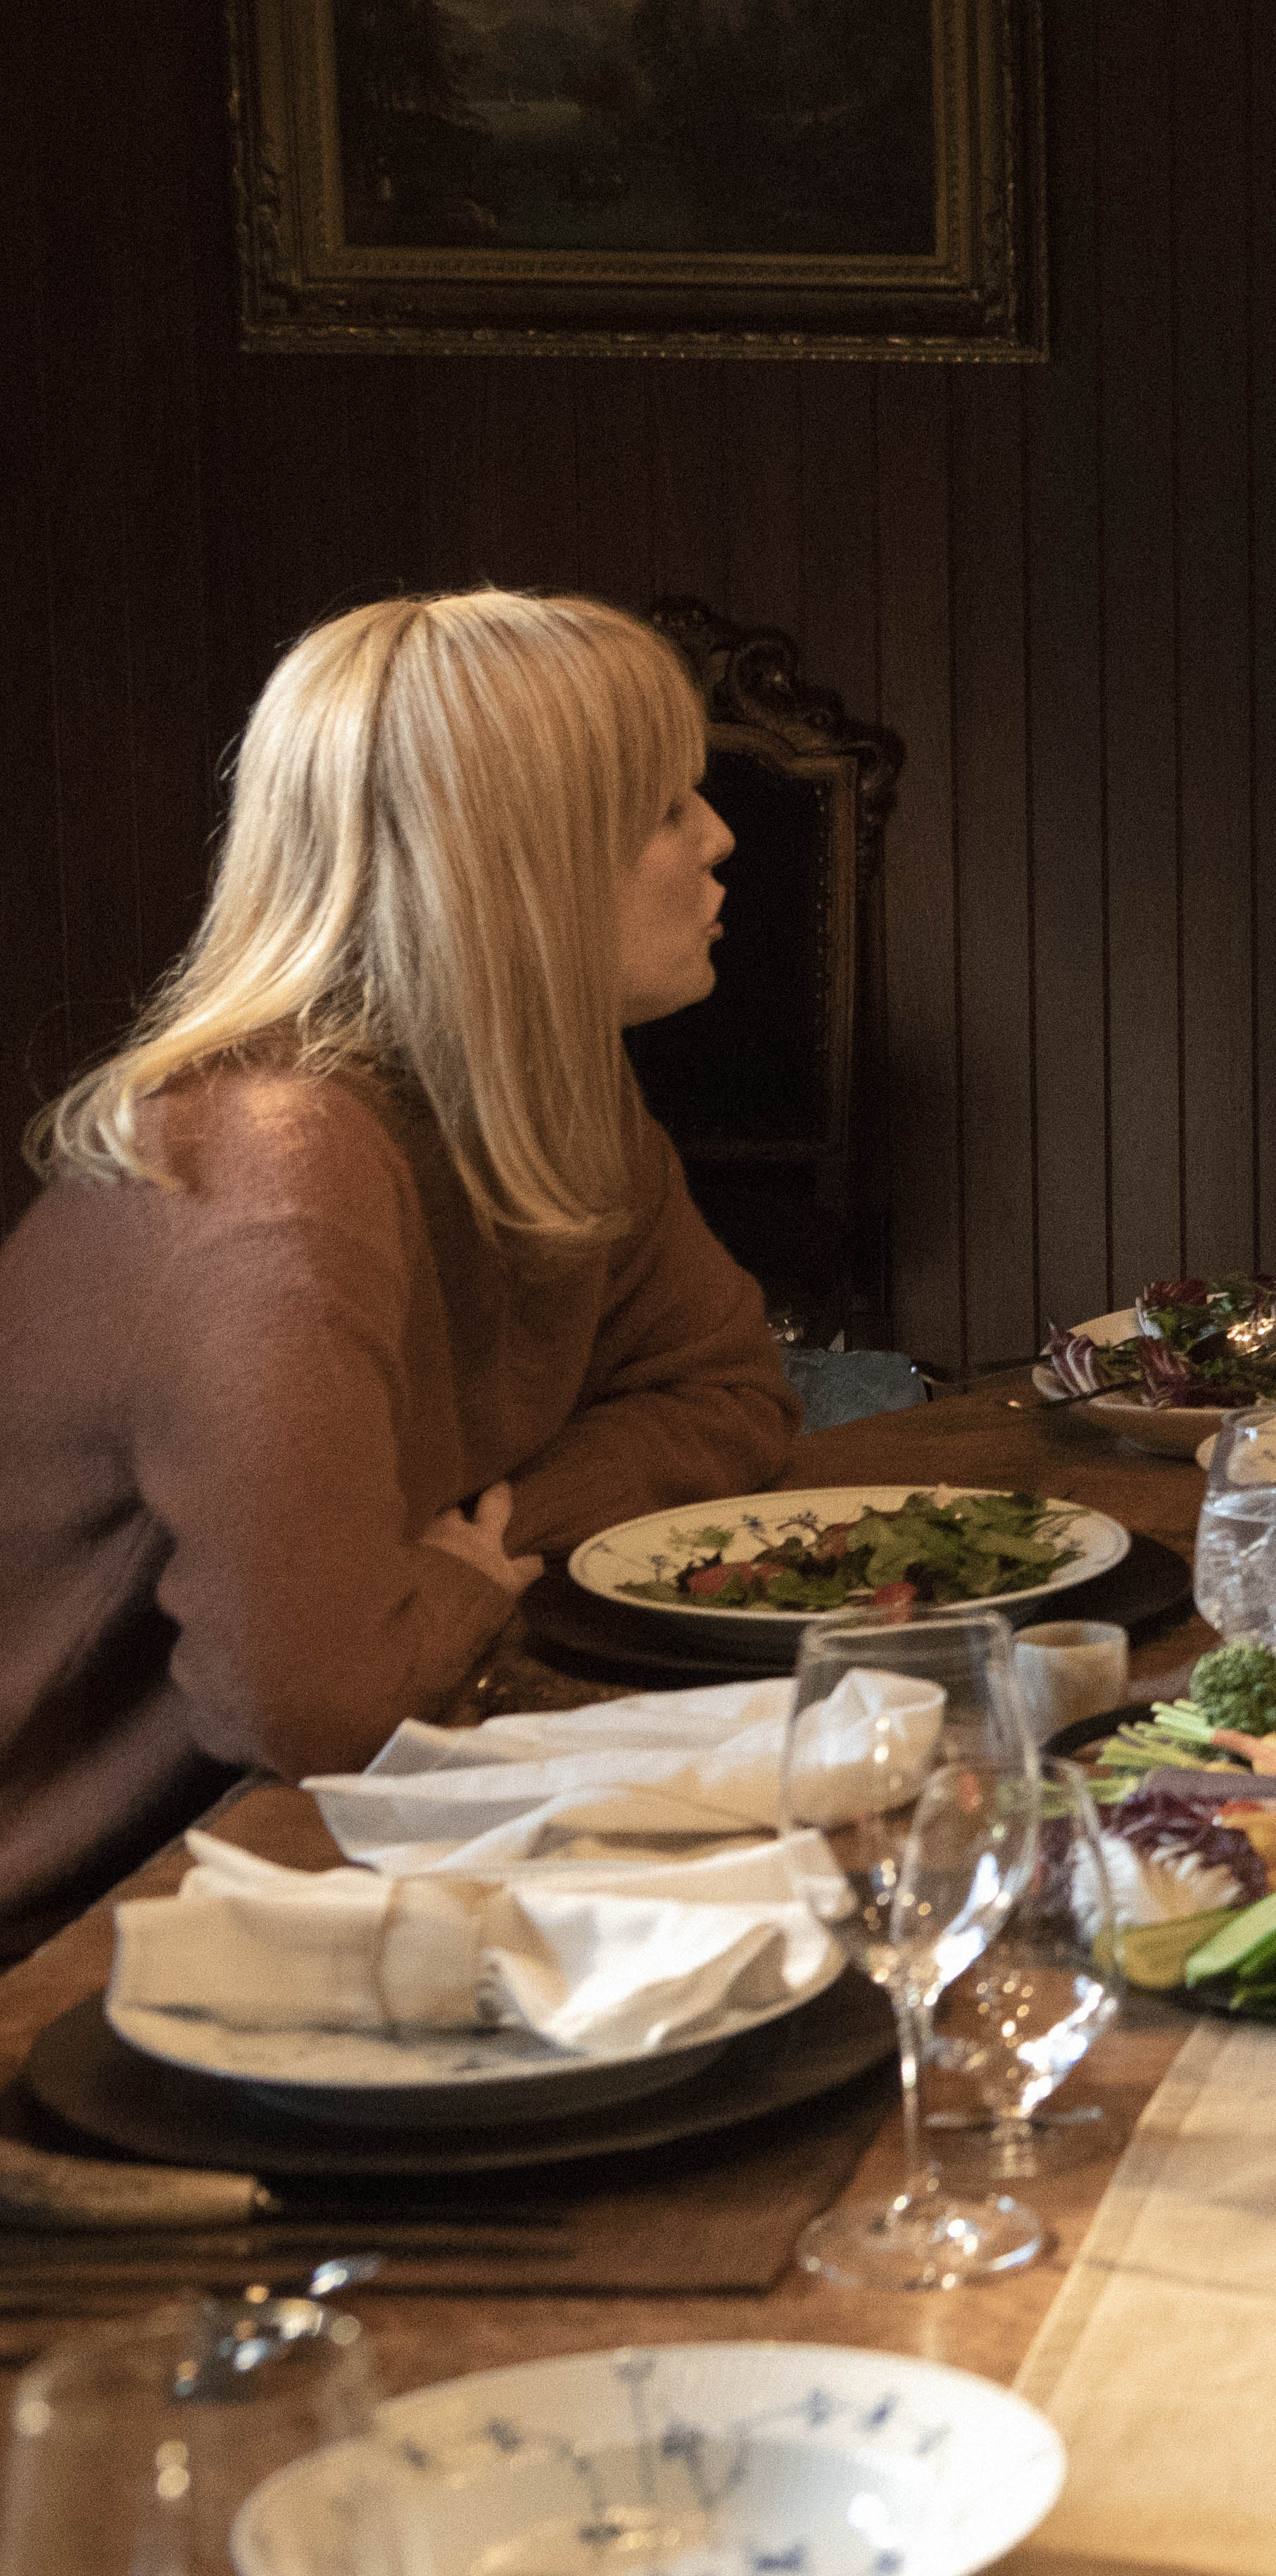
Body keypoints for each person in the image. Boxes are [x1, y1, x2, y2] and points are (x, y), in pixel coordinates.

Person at [0, 589, 799, 1964]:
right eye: (670, 808)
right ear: (527, 861)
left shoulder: (548, 1093)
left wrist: (473, 1539)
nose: (722, 838)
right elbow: (300, 1705)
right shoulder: (279, 1176)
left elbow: (728, 1389)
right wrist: (448, 1594)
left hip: (275, 1860)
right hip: (69, 1933)